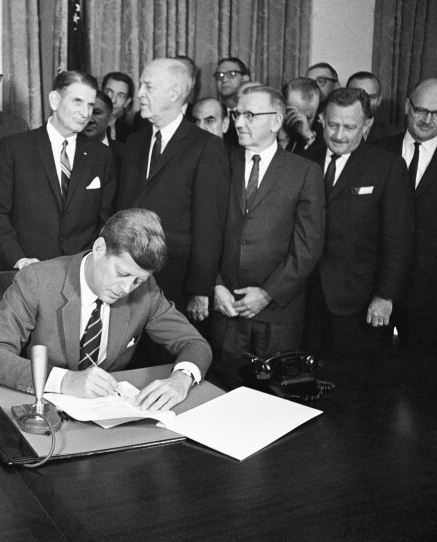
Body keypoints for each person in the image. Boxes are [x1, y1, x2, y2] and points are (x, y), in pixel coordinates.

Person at [0, 208, 211, 412]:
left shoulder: (145, 290)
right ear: (99, 249)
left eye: (138, 280)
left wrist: (181, 379)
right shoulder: (36, 280)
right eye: (123, 274)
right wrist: (65, 380)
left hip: (105, 420)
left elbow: (195, 344)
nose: (127, 289)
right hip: (41, 414)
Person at [212, 86, 324, 385]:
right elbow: (205, 232)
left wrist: (268, 293)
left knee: (275, 398)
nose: (238, 122)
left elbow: (308, 247)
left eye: (249, 115)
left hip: (278, 312)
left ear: (275, 122)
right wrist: (215, 284)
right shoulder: (220, 163)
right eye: (236, 114)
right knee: (222, 394)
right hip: (226, 307)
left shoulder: (304, 172)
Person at [116, 58, 230, 328]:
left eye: (148, 86)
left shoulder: (206, 147)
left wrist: (200, 288)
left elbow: (209, 224)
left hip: (177, 281)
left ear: (175, 93)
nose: (140, 93)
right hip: (128, 278)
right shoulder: (134, 143)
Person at [302, 88, 414, 357]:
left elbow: (399, 238)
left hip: (359, 300)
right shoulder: (304, 160)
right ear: (321, 120)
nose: (339, 135)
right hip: (305, 297)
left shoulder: (387, 167)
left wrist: (385, 296)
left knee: (353, 383)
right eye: (332, 125)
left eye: (349, 127)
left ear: (367, 125)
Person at [0, 70, 117, 270]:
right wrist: (18, 259)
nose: (85, 113)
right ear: (54, 100)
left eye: (90, 105)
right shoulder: (15, 148)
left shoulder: (102, 156)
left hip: (79, 273)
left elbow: (106, 220)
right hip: (25, 272)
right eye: (77, 102)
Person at [374, 79, 437, 353]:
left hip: (431, 292)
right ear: (407, 106)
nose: (428, 120)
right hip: (375, 286)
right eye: (421, 110)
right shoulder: (377, 149)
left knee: (424, 378)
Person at [214, 56, 250, 147]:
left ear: (245, 78)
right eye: (220, 75)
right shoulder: (212, 113)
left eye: (231, 74)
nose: (224, 80)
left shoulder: (255, 113)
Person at [281, 77, 324, 155]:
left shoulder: (323, 133)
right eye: (295, 114)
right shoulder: (272, 125)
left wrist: (308, 136)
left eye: (308, 118)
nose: (302, 120)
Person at [347, 72, 391, 141]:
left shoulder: (393, 135)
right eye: (358, 96)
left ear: (379, 100)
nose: (365, 101)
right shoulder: (328, 132)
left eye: (371, 97)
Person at [101, 72, 137, 142]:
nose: (113, 100)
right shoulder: (85, 126)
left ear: (127, 102)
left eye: (120, 96)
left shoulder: (131, 135)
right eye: (108, 92)